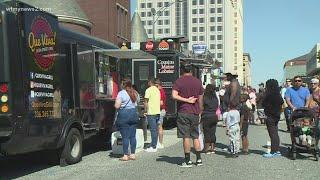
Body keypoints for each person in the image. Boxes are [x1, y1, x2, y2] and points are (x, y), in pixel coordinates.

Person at [172, 64, 204, 167]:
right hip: (195, 112)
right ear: (191, 71)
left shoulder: (179, 81)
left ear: (182, 70)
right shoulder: (198, 82)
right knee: (195, 136)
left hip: (184, 111)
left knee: (186, 136)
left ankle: (187, 161)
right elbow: (200, 99)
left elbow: (174, 95)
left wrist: (186, 100)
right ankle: (199, 159)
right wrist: (200, 111)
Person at [114, 78, 139, 161]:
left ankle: (125, 155)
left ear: (123, 85)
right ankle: (132, 154)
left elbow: (117, 106)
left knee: (125, 137)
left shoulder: (121, 93)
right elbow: (137, 103)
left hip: (124, 115)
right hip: (133, 114)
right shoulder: (135, 92)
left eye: (121, 83)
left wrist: (116, 103)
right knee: (132, 136)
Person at [262, 79, 284, 158]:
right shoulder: (277, 94)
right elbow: (281, 102)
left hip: (270, 116)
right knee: (275, 133)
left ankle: (274, 151)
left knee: (272, 134)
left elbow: (263, 103)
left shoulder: (269, 94)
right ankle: (276, 150)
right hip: (276, 116)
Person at [201, 84, 219, 154]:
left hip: (206, 116)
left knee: (206, 132)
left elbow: (202, 107)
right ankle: (213, 148)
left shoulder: (205, 97)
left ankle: (206, 148)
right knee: (213, 132)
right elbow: (217, 106)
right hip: (214, 116)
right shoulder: (215, 98)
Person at [144, 78, 161, 152]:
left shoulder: (148, 90)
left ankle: (153, 147)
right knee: (156, 129)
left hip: (151, 112)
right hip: (157, 111)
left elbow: (146, 102)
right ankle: (154, 143)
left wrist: (145, 110)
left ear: (150, 82)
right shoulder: (157, 90)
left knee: (153, 130)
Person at [155, 78, 166, 149]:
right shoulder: (160, 91)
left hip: (160, 110)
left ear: (158, 85)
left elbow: (161, 103)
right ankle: (157, 142)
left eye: (155, 86)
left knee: (159, 126)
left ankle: (160, 143)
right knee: (157, 127)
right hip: (160, 110)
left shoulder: (160, 91)